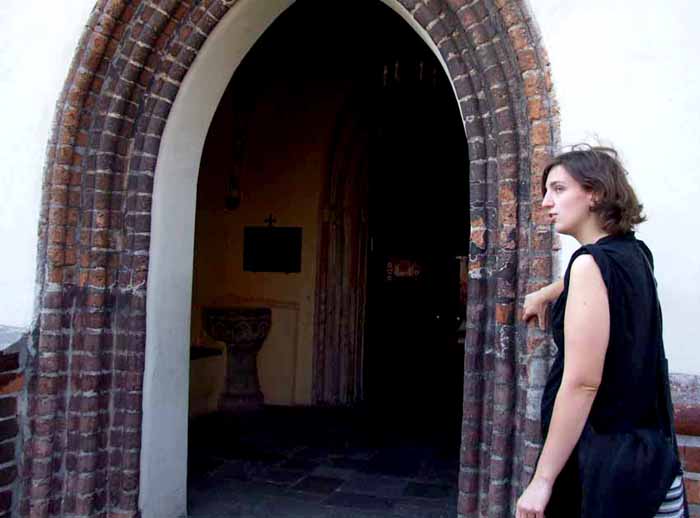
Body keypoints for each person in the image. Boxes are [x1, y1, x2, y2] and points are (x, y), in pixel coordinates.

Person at [516, 145, 687, 518]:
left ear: (594, 193)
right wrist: (547, 292)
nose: (546, 202)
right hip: (649, 465)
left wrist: (542, 479)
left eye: (559, 189)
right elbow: (597, 273)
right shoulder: (635, 253)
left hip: (609, 473)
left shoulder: (589, 266)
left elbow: (583, 383)